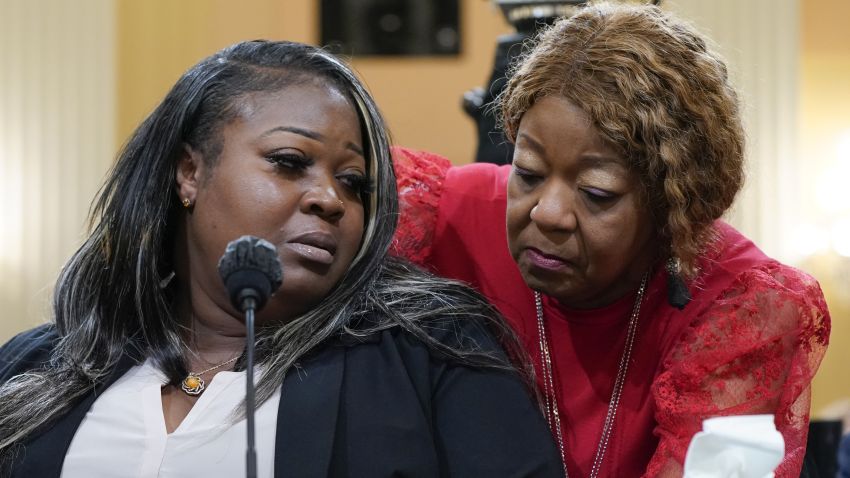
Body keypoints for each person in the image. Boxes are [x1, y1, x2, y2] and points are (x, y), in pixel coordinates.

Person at [0, 40, 564, 477]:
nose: (330, 199)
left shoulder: (434, 352)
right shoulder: (36, 368)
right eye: (290, 162)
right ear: (189, 173)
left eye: (353, 184)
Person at [391, 3, 831, 477]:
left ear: (673, 207)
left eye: (596, 193)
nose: (547, 213)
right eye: (528, 173)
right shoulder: (442, 217)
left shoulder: (737, 304)